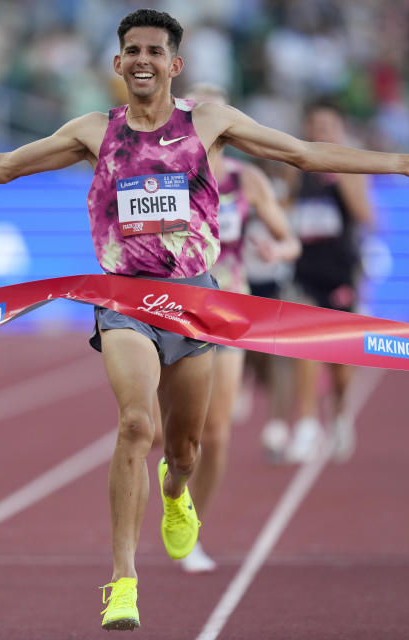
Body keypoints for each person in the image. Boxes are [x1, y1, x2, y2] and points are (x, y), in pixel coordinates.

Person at [0, 8, 409, 631]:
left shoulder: (211, 122)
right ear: (118, 63)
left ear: (175, 64)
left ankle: (176, 497)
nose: (142, 60)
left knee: (187, 449)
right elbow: (8, 165)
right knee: (134, 424)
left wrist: (402, 164)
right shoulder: (95, 131)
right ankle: (122, 581)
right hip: (124, 301)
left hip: (194, 301)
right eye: (132, 51)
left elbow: (304, 153)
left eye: (154, 51)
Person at [159, 83, 301, 574]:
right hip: (173, 306)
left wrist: (277, 251)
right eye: (196, 109)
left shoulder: (249, 181)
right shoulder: (166, 173)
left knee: (215, 434)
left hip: (230, 310)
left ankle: (194, 528)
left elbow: (290, 241)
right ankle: (162, 499)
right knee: (162, 432)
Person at [259, 100, 374, 464]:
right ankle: (307, 425)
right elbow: (287, 208)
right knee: (305, 348)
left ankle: (339, 414)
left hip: (340, 275)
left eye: (327, 127)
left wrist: (337, 173)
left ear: (338, 132)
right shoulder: (299, 169)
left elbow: (365, 215)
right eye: (314, 127)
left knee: (340, 366)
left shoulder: (351, 170)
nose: (319, 134)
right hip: (304, 273)